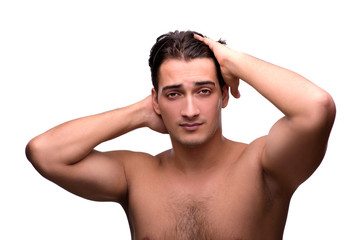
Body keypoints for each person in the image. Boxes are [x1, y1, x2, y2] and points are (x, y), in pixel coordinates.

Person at [26, 30, 336, 240]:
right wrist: (139, 114)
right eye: (174, 94)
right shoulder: (136, 174)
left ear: (224, 96)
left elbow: (316, 108)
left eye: (204, 91)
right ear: (156, 100)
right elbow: (45, 152)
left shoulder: (262, 167)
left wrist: (231, 59)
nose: (190, 110)